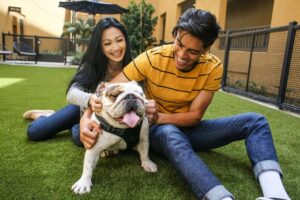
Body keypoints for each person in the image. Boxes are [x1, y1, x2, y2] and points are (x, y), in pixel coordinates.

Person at [79, 9, 291, 200]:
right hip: (160, 133)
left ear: (206, 50)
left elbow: (195, 116)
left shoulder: (213, 67)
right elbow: (107, 88)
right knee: (171, 133)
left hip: (189, 127)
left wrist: (157, 116)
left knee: (256, 121)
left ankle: (276, 194)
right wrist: (85, 118)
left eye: (192, 51)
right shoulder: (152, 58)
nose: (181, 54)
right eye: (179, 44)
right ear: (175, 35)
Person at [23, 17, 132, 148]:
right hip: (79, 110)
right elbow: (71, 93)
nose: (115, 47)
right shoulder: (91, 65)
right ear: (100, 47)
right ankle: (44, 115)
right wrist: (91, 99)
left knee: (81, 138)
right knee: (34, 132)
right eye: (107, 43)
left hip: (105, 120)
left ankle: (74, 127)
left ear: (125, 40)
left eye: (119, 40)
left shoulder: (135, 66)